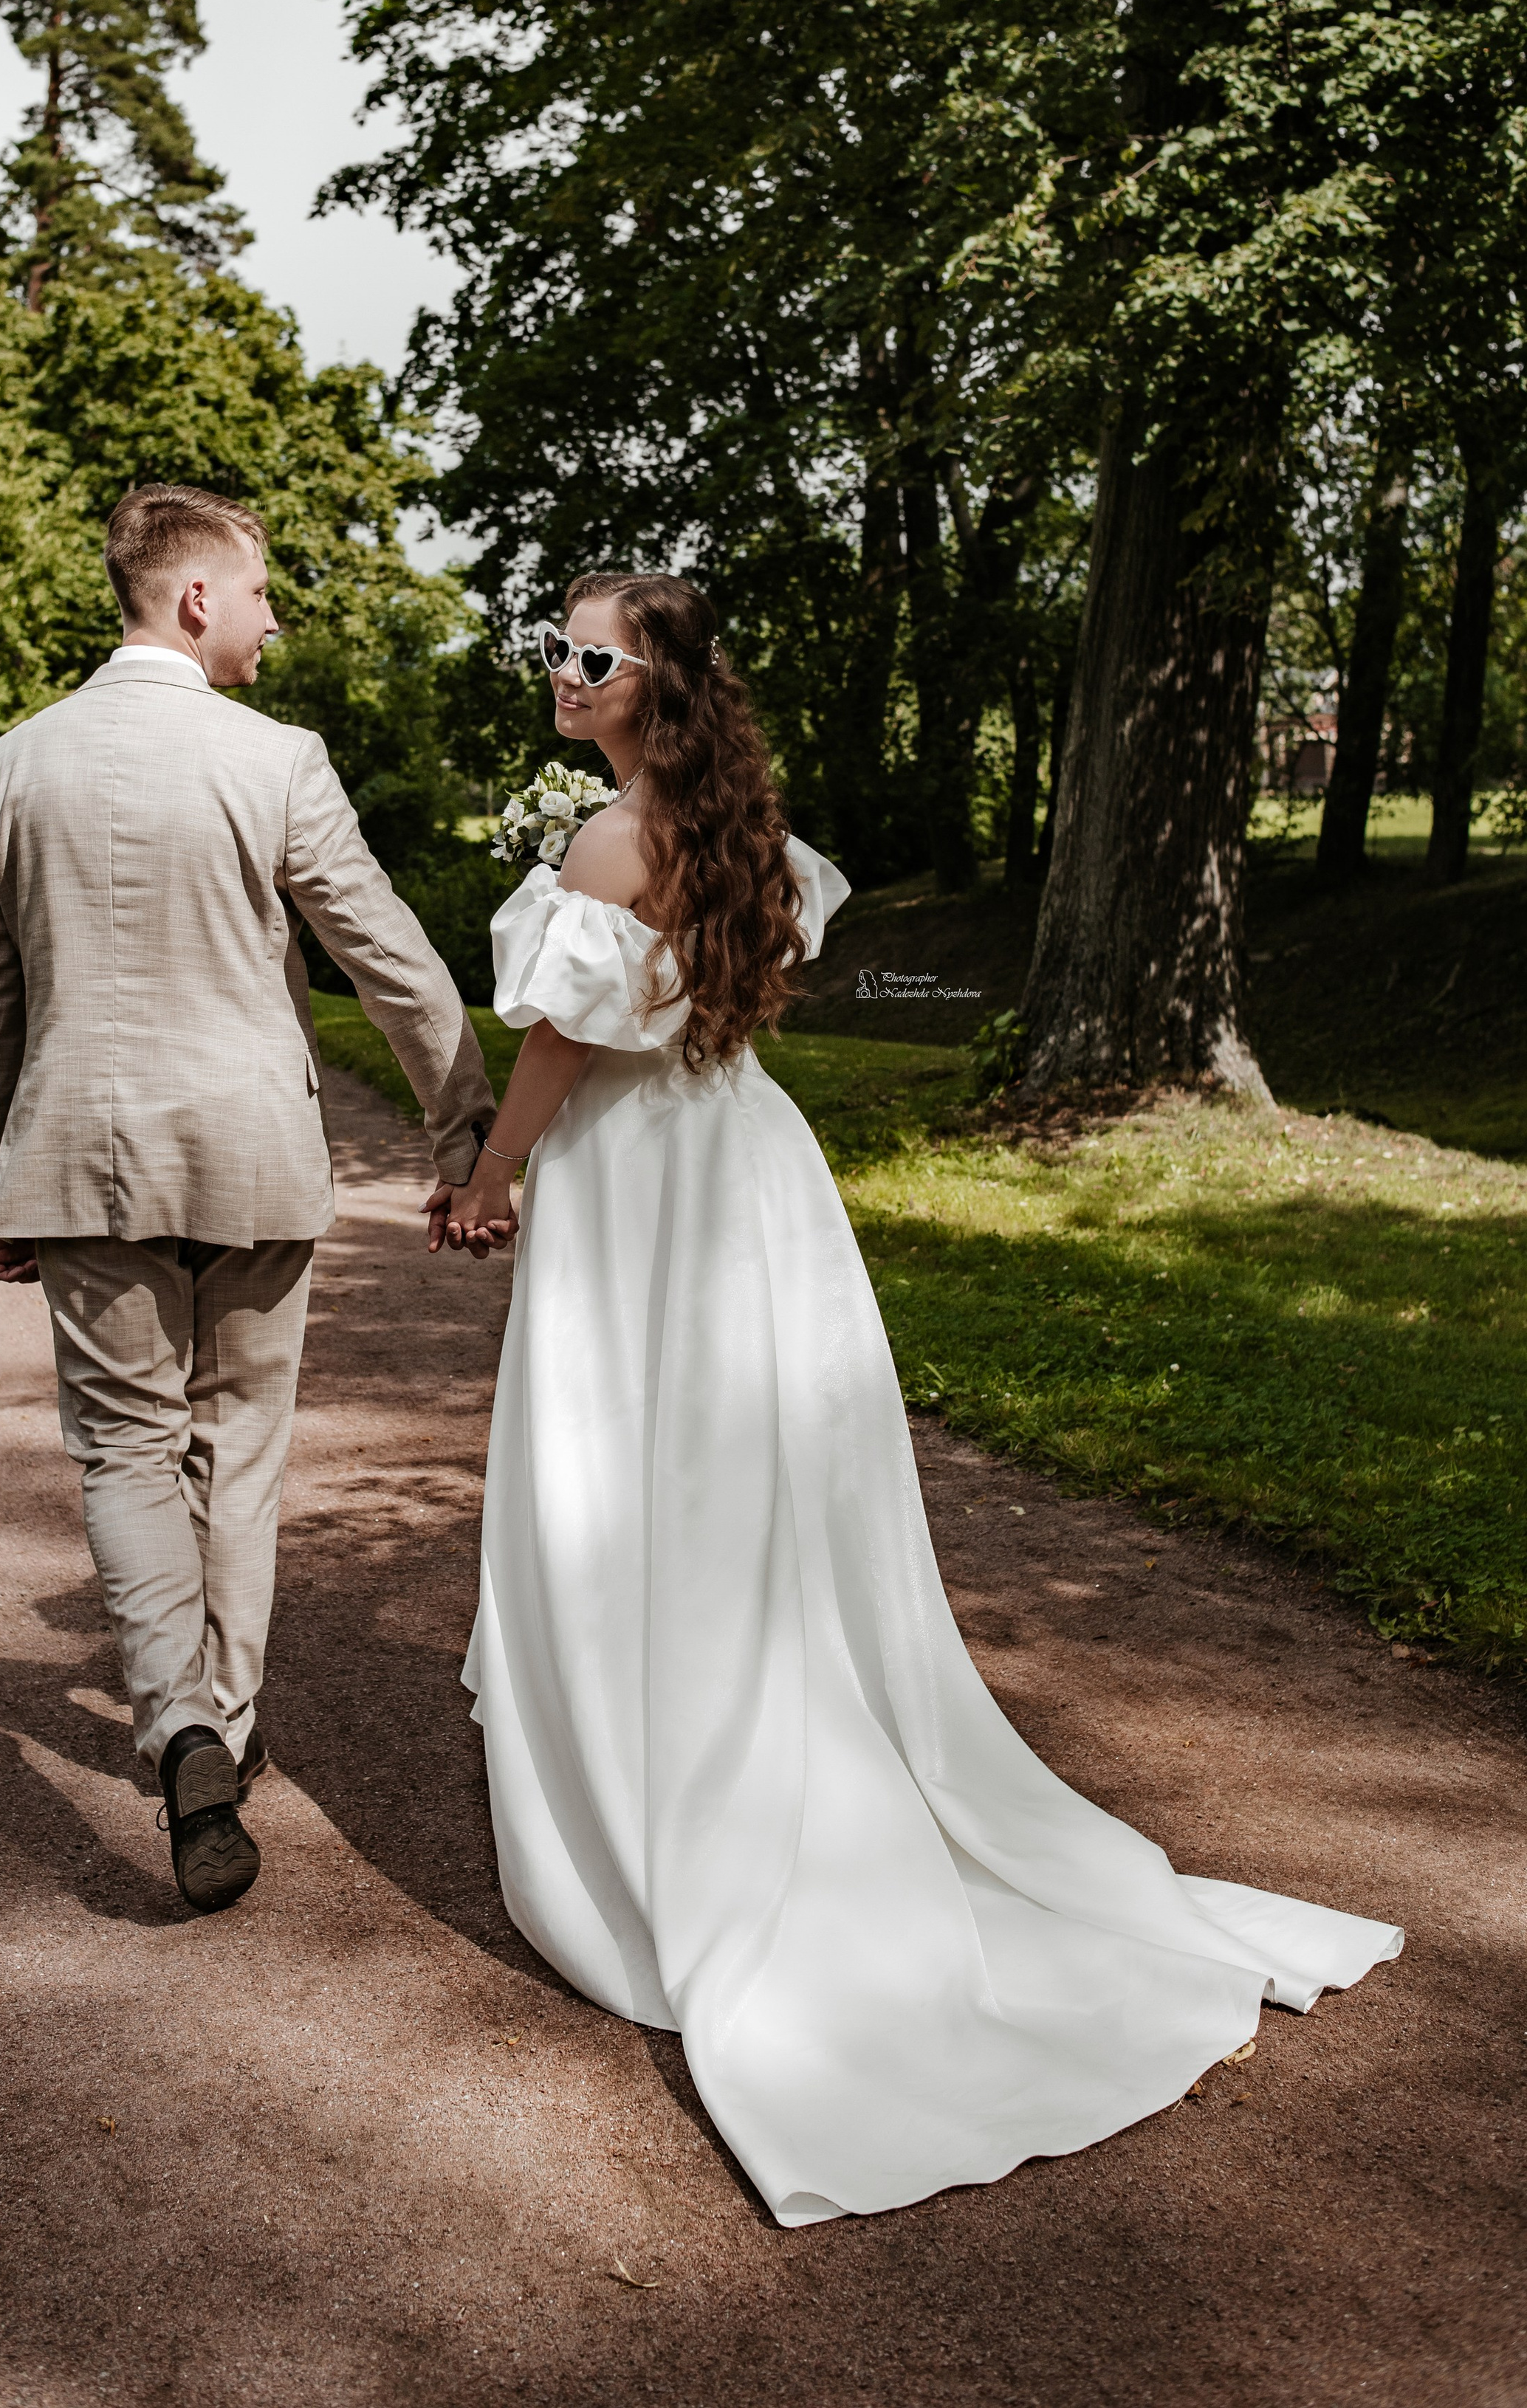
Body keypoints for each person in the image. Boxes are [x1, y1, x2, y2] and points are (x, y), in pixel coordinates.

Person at [440, 569, 1401, 2226]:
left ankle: (662, 1758)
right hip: (741, 1159)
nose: (564, 670)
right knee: (737, 1477)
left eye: (593, 654)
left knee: (634, 1463)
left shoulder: (608, 843)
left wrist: (488, 1175)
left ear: (656, 682)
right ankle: (738, 1718)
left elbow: (558, 1044)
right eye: (557, 645)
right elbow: (720, 998)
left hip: (640, 1183)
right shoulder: (744, 831)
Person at [0, 483, 505, 1916]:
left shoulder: (10, 766)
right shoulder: (276, 760)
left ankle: (178, 1724)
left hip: (78, 1161)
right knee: (237, 1449)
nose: (271, 621)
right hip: (256, 1156)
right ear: (196, 597)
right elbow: (387, 953)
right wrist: (464, 1132)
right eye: (260, 593)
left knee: (124, 1451)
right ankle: (227, 1726)